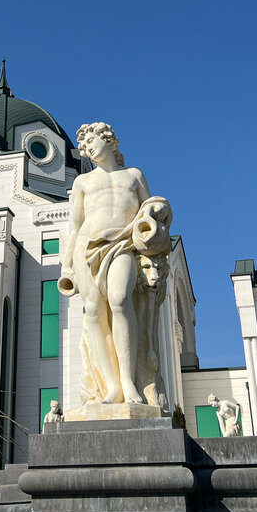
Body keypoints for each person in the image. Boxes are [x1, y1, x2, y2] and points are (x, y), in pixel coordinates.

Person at [59, 122, 172, 409]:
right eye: (83, 147)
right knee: (95, 312)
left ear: (108, 140)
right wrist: (66, 265)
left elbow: (151, 212)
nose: (87, 149)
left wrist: (158, 212)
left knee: (121, 300)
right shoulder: (83, 183)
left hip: (123, 243)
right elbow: (75, 226)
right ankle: (111, 387)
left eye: (91, 141)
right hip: (88, 246)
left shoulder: (133, 176)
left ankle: (128, 381)